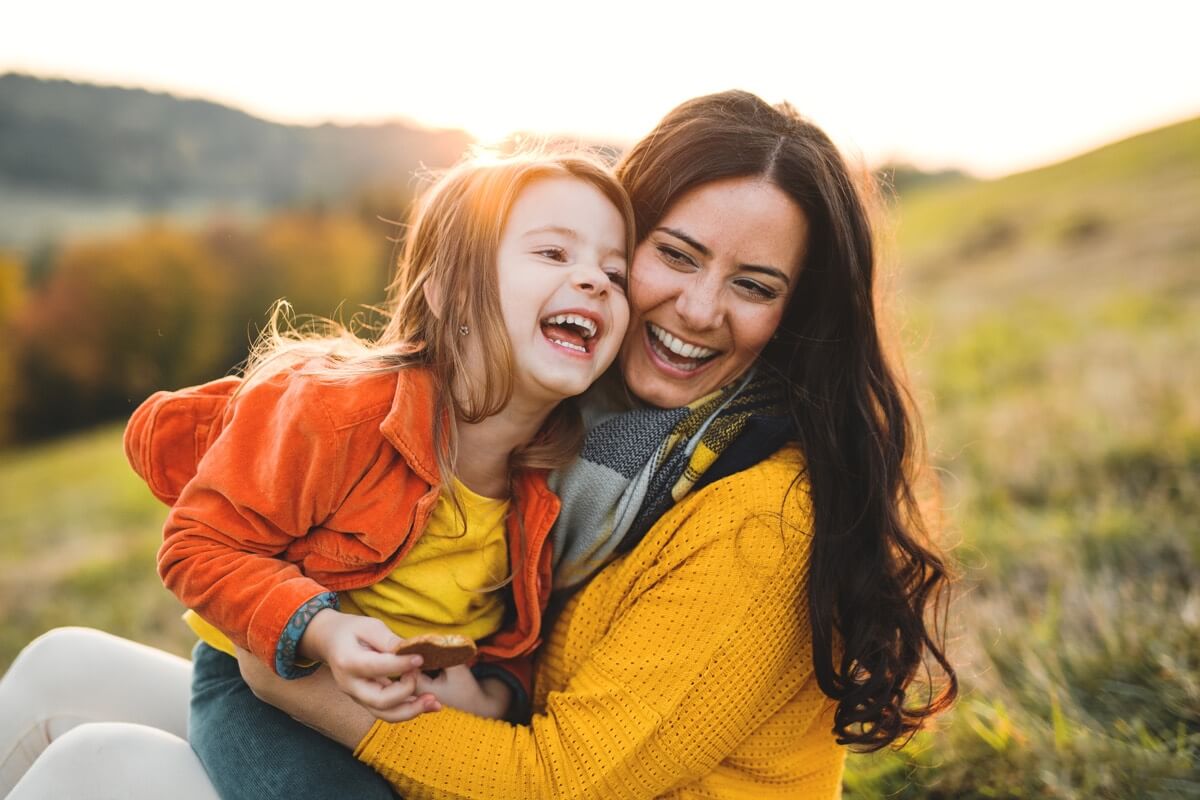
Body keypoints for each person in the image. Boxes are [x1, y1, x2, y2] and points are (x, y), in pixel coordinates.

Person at [0, 90, 956, 800]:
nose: (700, 310)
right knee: (58, 665)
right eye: (675, 254)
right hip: (437, 732)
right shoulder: (597, 439)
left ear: (797, 314)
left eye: (754, 284)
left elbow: (567, 774)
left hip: (519, 781)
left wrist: (292, 670)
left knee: (100, 770)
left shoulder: (757, 510)